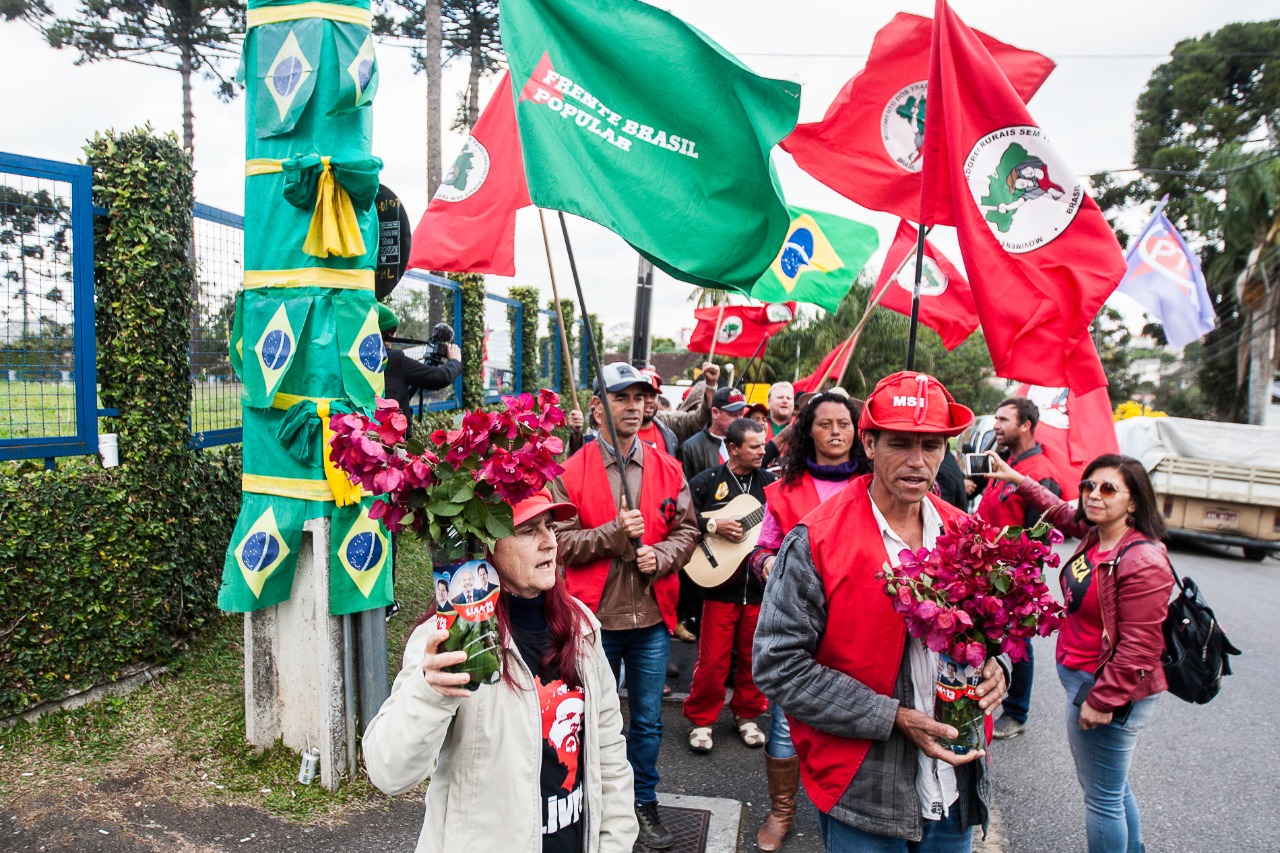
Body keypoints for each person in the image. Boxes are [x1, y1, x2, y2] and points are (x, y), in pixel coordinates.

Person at [754, 371, 1010, 852]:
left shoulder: (965, 534)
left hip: (955, 779)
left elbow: (995, 633)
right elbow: (777, 666)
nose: (918, 462)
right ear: (869, 444)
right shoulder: (816, 539)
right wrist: (893, 717)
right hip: (865, 787)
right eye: (900, 443)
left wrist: (1001, 668)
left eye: (931, 446)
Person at [362, 489, 638, 853]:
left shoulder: (581, 626)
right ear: (486, 546)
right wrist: (430, 693)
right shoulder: (451, 641)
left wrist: (615, 844)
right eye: (527, 531)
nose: (549, 543)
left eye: (550, 527)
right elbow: (389, 772)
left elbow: (610, 756)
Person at [983, 452, 1173, 853]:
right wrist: (1018, 479)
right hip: (1085, 677)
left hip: (1106, 689)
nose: (1093, 495)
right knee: (1113, 787)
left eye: (1108, 489)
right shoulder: (1098, 532)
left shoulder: (1143, 558)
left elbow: (1142, 646)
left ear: (1134, 501)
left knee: (1102, 798)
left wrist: (1102, 699)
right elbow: (1059, 511)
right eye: (1088, 486)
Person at [548, 362, 700, 849]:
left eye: (639, 398)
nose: (634, 407)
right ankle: (587, 800)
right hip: (593, 621)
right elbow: (557, 541)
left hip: (653, 621)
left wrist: (663, 554)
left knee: (649, 720)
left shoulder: (668, 467)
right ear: (597, 408)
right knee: (588, 716)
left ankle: (644, 801)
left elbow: (688, 531)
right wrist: (613, 536)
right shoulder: (569, 472)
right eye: (621, 398)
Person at [747, 389, 868, 853]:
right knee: (784, 726)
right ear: (808, 431)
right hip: (799, 631)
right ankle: (781, 813)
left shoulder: (876, 481)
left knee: (855, 724)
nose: (835, 431)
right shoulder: (783, 490)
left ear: (857, 432)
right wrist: (769, 566)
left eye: (843, 423)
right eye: (825, 424)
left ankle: (847, 816)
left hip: (859, 625)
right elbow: (760, 550)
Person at [683, 417, 774, 754]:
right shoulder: (708, 480)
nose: (762, 451)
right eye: (755, 446)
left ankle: (747, 715)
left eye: (763, 444)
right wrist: (712, 524)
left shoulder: (772, 484)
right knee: (713, 661)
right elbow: (680, 516)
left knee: (754, 658)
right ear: (733, 448)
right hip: (719, 588)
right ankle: (702, 720)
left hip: (759, 589)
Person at [974, 396, 1062, 741]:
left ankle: (1017, 712)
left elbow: (1040, 541)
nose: (996, 425)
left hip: (1014, 581)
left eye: (1003, 420)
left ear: (1025, 425)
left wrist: (1018, 582)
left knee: (1017, 646)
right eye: (995, 418)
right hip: (990, 576)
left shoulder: (1041, 475)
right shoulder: (1007, 463)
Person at [378, 304, 462, 437]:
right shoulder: (393, 359)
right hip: (393, 439)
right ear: (390, 333)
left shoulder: (355, 358)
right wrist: (455, 362)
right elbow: (439, 377)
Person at [635, 368, 678, 455]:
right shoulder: (618, 435)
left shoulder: (669, 437)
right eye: (643, 395)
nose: (649, 400)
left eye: (653, 395)